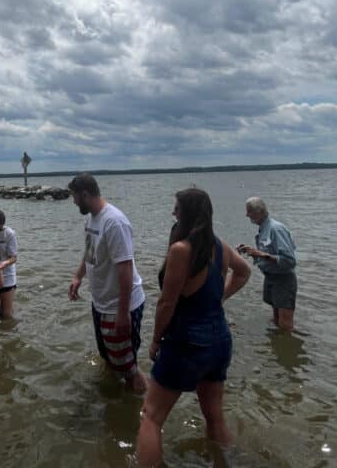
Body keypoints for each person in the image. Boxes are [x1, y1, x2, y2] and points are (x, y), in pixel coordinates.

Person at [136, 188, 251, 467]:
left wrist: (154, 341)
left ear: (187, 213)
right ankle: (227, 462)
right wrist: (218, 298)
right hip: (219, 338)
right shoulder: (220, 247)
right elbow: (244, 271)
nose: (172, 213)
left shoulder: (181, 250)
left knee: (150, 416)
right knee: (215, 416)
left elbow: (167, 303)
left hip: (187, 342)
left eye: (176, 208)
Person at [67, 173, 147, 393]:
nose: (73, 202)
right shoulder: (93, 219)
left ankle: (142, 413)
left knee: (129, 368)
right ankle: (115, 402)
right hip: (102, 304)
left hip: (120, 306)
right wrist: (78, 277)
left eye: (75, 197)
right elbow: (90, 253)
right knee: (110, 359)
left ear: (85, 194)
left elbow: (125, 269)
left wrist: (122, 313)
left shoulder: (114, 222)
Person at [237, 197, 297, 331]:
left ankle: (284, 347)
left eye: (249, 211)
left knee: (285, 324)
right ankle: (278, 344)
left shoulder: (276, 229)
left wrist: (261, 254)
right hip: (270, 277)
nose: (247, 215)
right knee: (276, 319)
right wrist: (251, 251)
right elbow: (267, 253)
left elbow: (290, 261)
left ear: (260, 211)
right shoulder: (264, 228)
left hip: (283, 280)